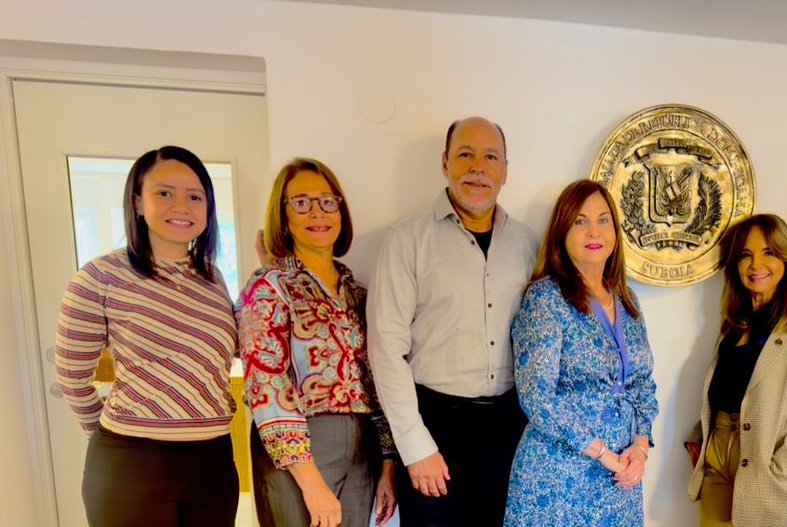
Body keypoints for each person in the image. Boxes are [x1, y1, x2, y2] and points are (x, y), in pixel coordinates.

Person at [368, 116, 540, 526]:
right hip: (434, 423)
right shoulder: (405, 239)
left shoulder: (528, 244)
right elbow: (386, 350)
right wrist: (414, 446)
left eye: (490, 157)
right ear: (445, 163)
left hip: (508, 428)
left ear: (505, 171)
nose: (478, 167)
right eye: (465, 154)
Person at [54, 145, 239, 526]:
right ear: (138, 203)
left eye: (195, 196)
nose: (182, 206)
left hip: (213, 462)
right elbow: (72, 377)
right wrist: (112, 435)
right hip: (133, 466)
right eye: (164, 193)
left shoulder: (214, 279)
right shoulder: (100, 276)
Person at [238, 158, 398, 527]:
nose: (317, 213)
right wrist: (310, 483)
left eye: (327, 201)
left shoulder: (358, 293)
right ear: (283, 213)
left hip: (361, 446)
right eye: (301, 202)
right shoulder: (269, 286)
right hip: (299, 449)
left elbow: (378, 381)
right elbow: (267, 385)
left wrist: (387, 460)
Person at [504, 179, 658, 526]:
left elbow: (642, 384)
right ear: (562, 231)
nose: (594, 231)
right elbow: (537, 396)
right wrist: (602, 453)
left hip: (620, 476)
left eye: (603, 220)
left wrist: (641, 446)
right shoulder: (547, 298)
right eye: (580, 221)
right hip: (560, 475)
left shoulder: (627, 300)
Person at [685, 214, 787, 526]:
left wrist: (783, 463)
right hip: (719, 463)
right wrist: (701, 438)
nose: (756, 264)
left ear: (786, 258)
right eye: (746, 255)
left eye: (768, 252)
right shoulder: (733, 326)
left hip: (767, 462)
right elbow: (732, 390)